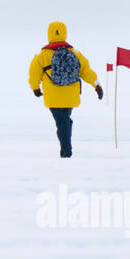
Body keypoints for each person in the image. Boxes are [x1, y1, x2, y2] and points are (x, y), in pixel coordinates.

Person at [27, 22, 101, 158]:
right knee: (65, 121)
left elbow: (33, 74)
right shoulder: (74, 53)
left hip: (53, 97)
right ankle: (66, 148)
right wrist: (96, 85)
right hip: (70, 95)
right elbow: (86, 71)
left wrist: (35, 88)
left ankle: (66, 152)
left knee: (62, 123)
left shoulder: (42, 56)